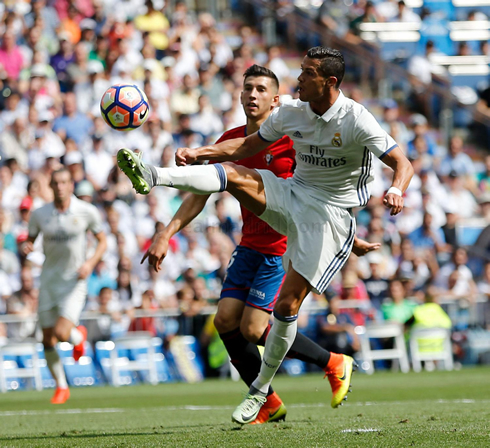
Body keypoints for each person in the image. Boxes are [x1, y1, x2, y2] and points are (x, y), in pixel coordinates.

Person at [117, 46, 413, 424]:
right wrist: (199, 153)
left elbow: (402, 162)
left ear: (329, 81)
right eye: (248, 88)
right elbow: (243, 149)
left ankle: (272, 387)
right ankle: (153, 175)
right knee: (226, 317)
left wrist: (396, 190)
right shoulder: (289, 114)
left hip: (321, 221)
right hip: (275, 216)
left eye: (307, 73)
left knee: (275, 316)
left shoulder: (356, 119)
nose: (299, 79)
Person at [22, 168, 107, 404]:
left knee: (61, 332)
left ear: (71, 186)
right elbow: (29, 241)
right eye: (56, 183)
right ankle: (61, 387)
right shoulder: (40, 214)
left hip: (74, 281)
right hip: (49, 280)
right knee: (47, 339)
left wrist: (90, 263)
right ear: (50, 186)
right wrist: (26, 248)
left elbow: (102, 241)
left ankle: (78, 337)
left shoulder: (86, 211)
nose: (60, 186)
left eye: (64, 182)